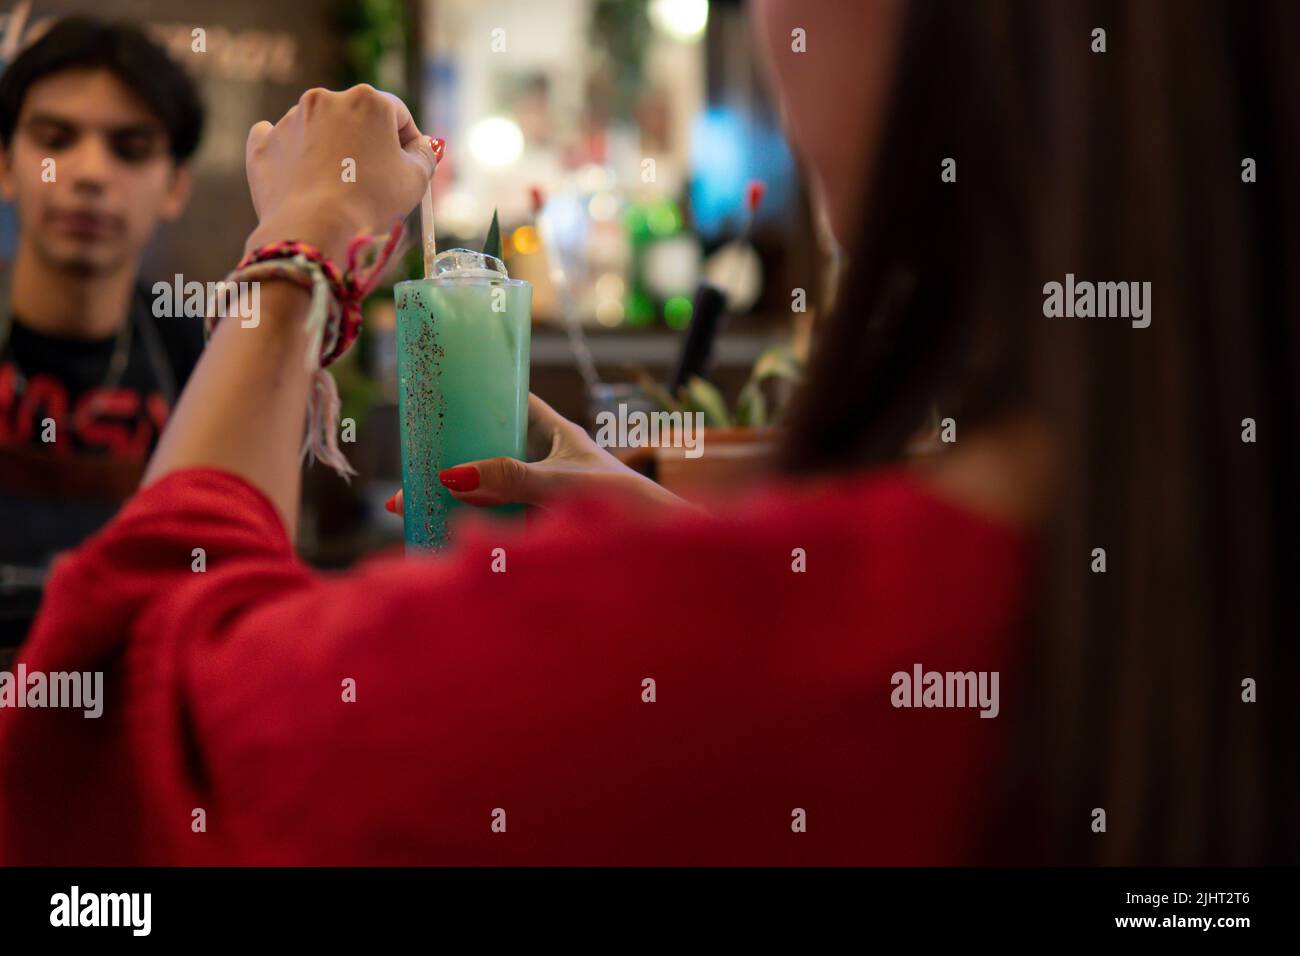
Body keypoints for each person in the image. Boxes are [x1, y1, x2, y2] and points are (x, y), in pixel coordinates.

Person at [0, 0, 1294, 865]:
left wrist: (303, 251)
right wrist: (673, 537)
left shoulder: (721, 668)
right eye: (54, 141)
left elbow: (110, 749)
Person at [0, 18, 205, 645]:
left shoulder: (199, 357)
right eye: (56, 139)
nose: (89, 174)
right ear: (6, 165)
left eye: (131, 148)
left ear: (174, 187)